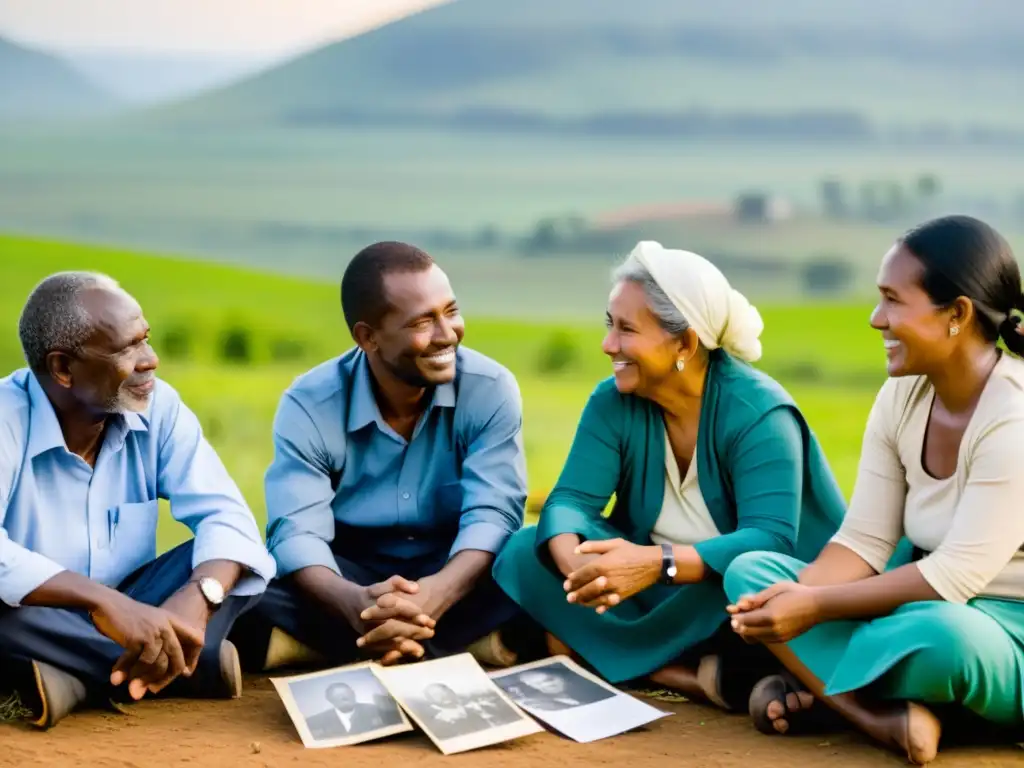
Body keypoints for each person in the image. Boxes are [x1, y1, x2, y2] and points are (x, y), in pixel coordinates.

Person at [492, 240, 849, 711]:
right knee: (525, 549)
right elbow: (571, 501)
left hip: (723, 591)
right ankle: (691, 678)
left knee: (744, 582)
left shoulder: (758, 414)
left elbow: (771, 539)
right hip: (645, 587)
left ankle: (587, 650)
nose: (607, 345)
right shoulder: (613, 399)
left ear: (684, 343)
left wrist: (656, 563)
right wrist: (575, 566)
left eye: (625, 330)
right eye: (609, 325)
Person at [725, 215, 1024, 765]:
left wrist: (813, 610)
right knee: (752, 574)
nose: (875, 319)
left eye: (892, 300)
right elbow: (864, 539)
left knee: (945, 639)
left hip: (1000, 633)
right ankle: (877, 714)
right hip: (912, 607)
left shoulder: (1013, 417)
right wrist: (794, 597)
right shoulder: (901, 397)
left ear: (956, 314)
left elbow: (953, 577)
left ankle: (823, 691)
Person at [231, 241, 536, 673]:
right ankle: (468, 646)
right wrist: (354, 604)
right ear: (367, 337)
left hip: (456, 568)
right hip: (349, 572)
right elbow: (296, 532)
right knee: (246, 584)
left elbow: (494, 515)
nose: (447, 334)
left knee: (531, 564)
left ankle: (325, 649)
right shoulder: (309, 403)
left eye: (450, 312)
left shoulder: (490, 388)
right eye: (422, 322)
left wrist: (436, 594)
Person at [0, 272, 276, 729]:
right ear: (63, 368)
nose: (151, 360)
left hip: (138, 605)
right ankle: (188, 664)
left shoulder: (157, 405)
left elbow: (226, 515)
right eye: (127, 349)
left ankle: (78, 674)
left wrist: (196, 597)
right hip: (34, 612)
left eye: (145, 340)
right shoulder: (6, 418)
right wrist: (101, 603)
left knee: (220, 561)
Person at [304, 681, 392, 739]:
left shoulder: (375, 710)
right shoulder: (315, 721)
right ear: (330, 699)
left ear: (353, 694)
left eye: (347, 693)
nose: (344, 697)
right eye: (338, 695)